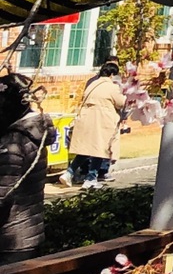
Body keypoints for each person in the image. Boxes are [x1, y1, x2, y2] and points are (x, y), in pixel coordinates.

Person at [0, 73, 53, 260]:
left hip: (11, 240)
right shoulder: (33, 135)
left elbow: (2, 194)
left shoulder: (13, 144)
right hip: (29, 234)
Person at [67, 59, 127, 187]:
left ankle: (69, 172)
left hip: (87, 119)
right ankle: (91, 178)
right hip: (102, 121)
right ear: (112, 75)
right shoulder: (112, 86)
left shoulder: (92, 84)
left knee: (85, 149)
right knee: (100, 149)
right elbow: (121, 102)